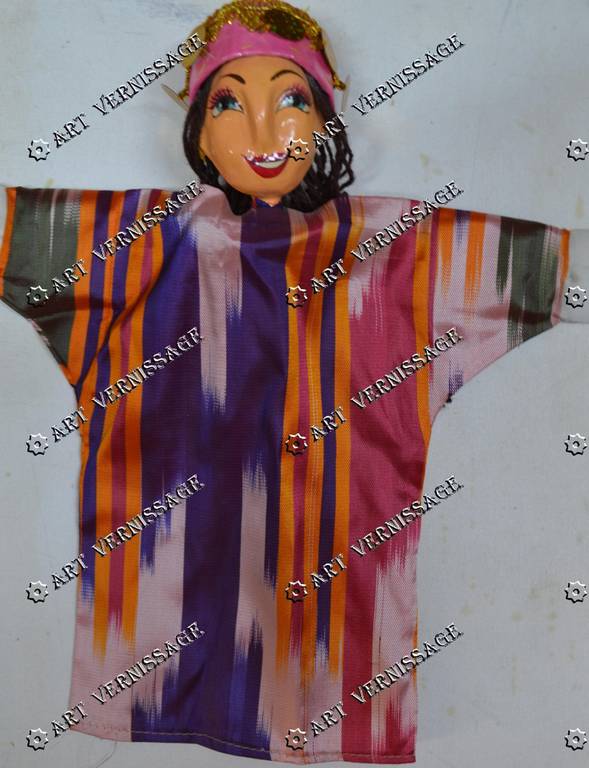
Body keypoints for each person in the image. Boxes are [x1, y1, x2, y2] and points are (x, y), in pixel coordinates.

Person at [0, 0, 587, 763]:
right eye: (227, 103)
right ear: (198, 134)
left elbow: (564, 272)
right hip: (157, 647)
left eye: (289, 100)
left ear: (324, 121)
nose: (261, 130)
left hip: (335, 651)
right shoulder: (137, 244)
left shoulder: (396, 250)